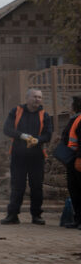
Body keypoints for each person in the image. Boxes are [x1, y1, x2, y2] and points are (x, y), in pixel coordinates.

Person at [1, 88, 54, 225]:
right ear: (27, 98)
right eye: (35, 97)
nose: (37, 99)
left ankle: (36, 215)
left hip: (36, 156)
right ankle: (12, 215)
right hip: (18, 155)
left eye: (40, 97)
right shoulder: (16, 111)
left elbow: (48, 135)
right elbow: (7, 129)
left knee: (36, 186)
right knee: (17, 186)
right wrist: (22, 136)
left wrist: (38, 140)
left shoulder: (45, 115)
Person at [59, 96, 81, 229]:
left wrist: (79, 158)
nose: (69, 106)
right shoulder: (74, 119)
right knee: (74, 190)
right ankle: (78, 219)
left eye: (70, 103)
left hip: (77, 160)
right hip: (71, 160)